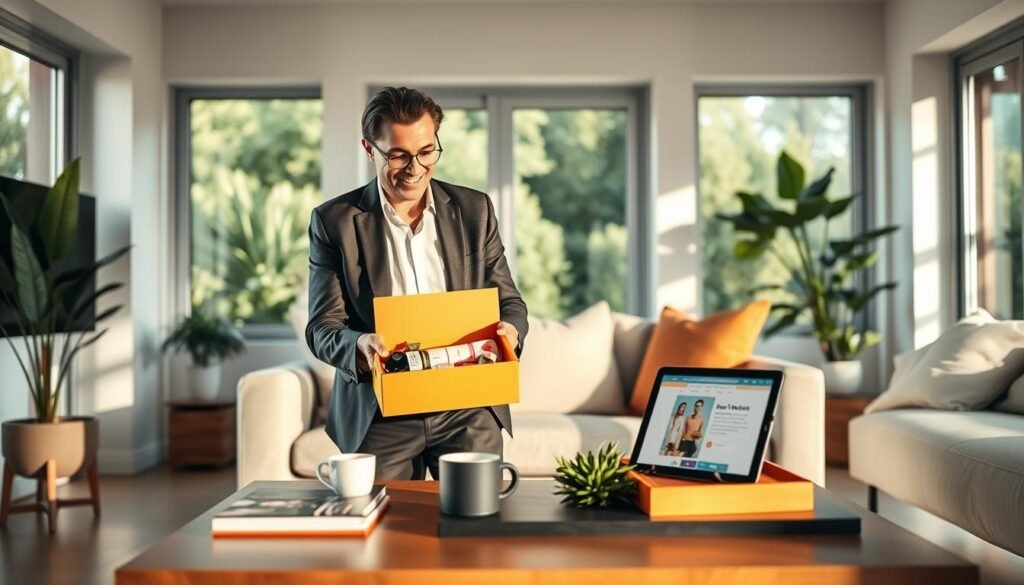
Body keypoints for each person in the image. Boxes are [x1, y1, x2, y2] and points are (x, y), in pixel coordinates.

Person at [305, 87, 528, 481]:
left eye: (427, 152)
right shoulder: (334, 222)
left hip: (468, 405)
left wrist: (510, 331)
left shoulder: (474, 210)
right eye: (398, 155)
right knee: (384, 521)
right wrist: (360, 345)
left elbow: (510, 303)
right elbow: (322, 329)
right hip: (381, 410)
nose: (415, 168)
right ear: (369, 149)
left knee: (476, 518)